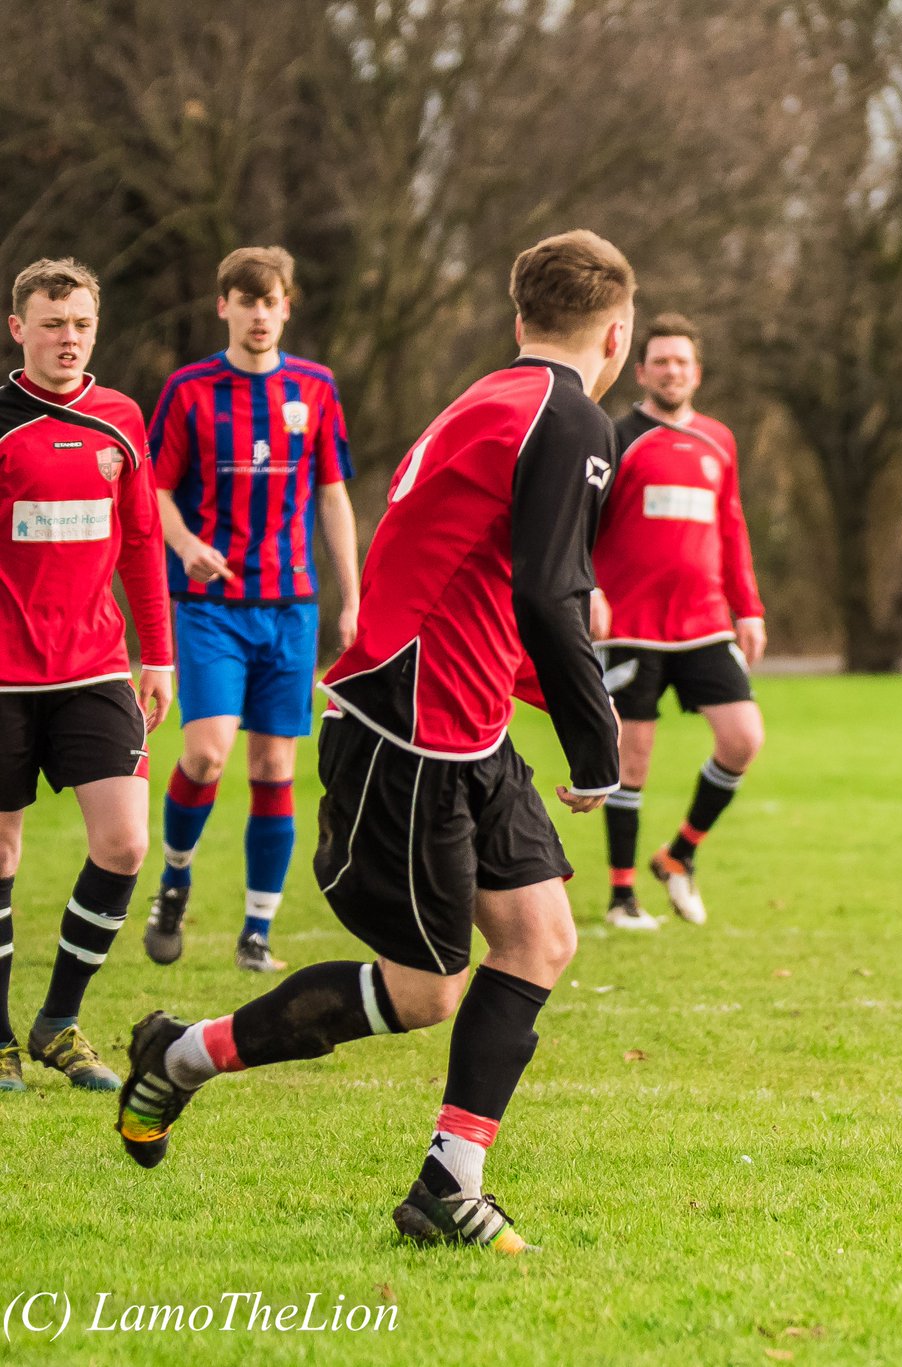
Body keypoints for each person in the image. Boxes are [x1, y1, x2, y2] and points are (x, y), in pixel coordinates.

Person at [117, 230, 629, 1253]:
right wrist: (595, 742)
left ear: (516, 316)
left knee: (541, 938)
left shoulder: (496, 397)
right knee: (425, 989)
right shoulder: (568, 416)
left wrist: (539, 698)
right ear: (615, 333)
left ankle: (448, 1182)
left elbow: (486, 583)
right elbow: (548, 591)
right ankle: (179, 1056)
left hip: (460, 721)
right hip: (413, 730)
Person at [143, 246, 359, 973]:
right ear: (223, 306)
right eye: (247, 300)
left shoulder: (316, 388)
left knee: (273, 767)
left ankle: (256, 931)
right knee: (205, 754)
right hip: (210, 604)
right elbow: (156, 490)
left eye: (272, 301)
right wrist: (185, 543)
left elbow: (333, 495)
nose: (260, 314)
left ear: (287, 308)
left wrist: (351, 597)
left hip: (291, 607)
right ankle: (174, 878)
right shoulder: (190, 389)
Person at [0, 257, 173, 1094]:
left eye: (80, 325)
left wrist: (159, 652)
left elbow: (141, 542)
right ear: (18, 329)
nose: (67, 339)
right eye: (52, 323)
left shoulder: (120, 419)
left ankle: (57, 1022)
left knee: (125, 840)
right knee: (2, 850)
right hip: (3, 676)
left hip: (96, 666)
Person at [592, 312, 765, 929]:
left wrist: (749, 607)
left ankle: (678, 855)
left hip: (706, 624)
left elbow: (731, 527)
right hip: (631, 625)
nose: (672, 371)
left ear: (698, 372)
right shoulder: (615, 438)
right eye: (661, 361)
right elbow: (579, 525)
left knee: (743, 738)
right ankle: (620, 896)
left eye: (682, 362)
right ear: (640, 371)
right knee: (630, 759)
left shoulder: (719, 439)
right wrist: (589, 592)